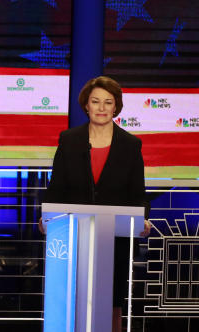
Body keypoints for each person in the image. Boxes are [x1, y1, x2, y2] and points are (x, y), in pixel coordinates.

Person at [42, 76, 151, 332]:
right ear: (86, 106)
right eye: (95, 102)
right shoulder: (69, 140)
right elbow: (57, 188)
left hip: (115, 241)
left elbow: (138, 194)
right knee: (72, 298)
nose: (101, 108)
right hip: (73, 238)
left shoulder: (131, 145)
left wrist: (143, 218)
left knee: (111, 302)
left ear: (116, 107)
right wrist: (47, 217)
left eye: (108, 102)